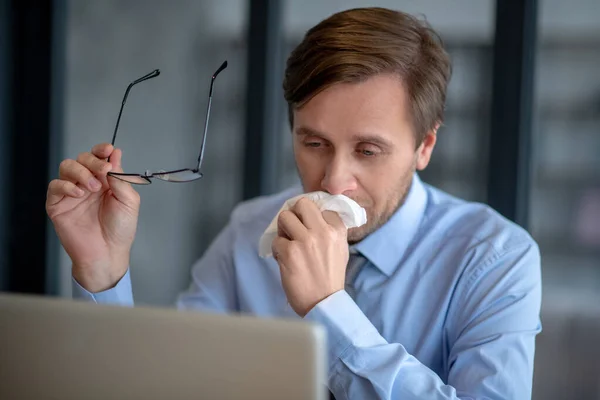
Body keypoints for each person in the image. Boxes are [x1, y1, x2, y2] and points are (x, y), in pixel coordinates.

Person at [45, 7, 541, 400]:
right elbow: (165, 385)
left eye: (367, 151)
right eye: (314, 143)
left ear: (425, 147)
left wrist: (329, 310)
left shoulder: (494, 259)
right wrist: (102, 269)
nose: (332, 180)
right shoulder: (250, 233)